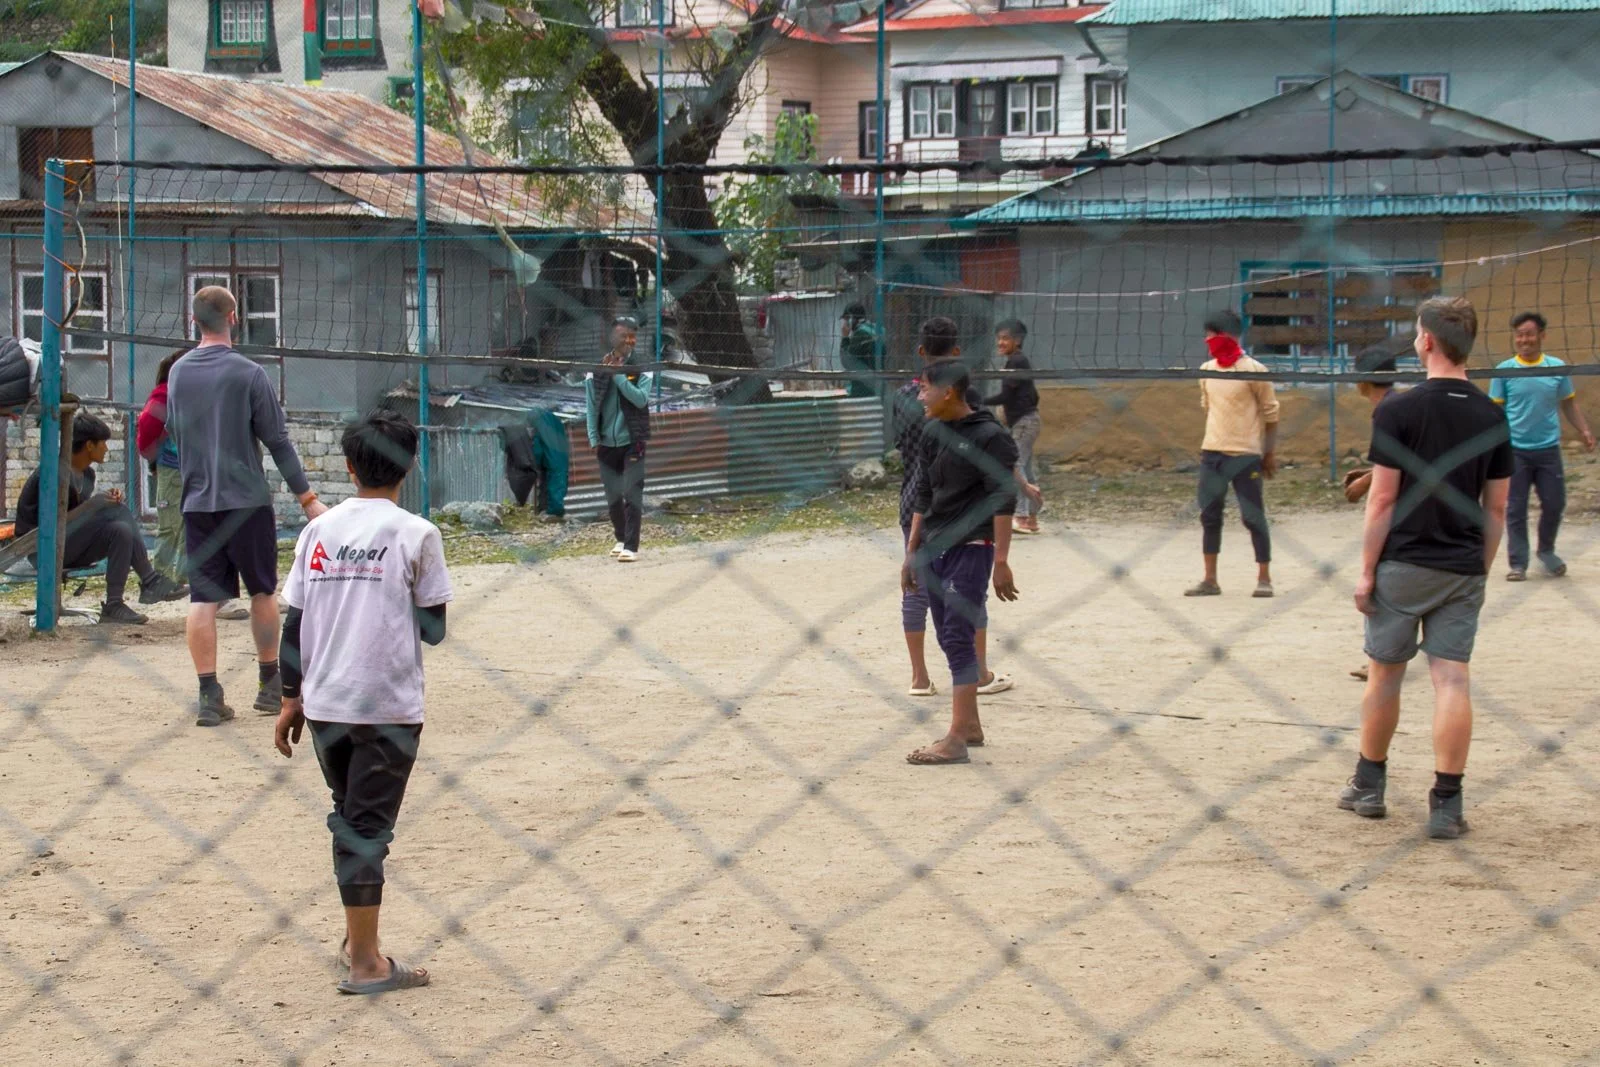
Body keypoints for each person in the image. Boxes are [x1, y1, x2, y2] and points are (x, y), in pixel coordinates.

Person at [275, 408, 452, 995]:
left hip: (326, 703)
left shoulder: (318, 531)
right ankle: (367, 963)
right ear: (409, 466)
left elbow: (295, 622)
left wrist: (289, 698)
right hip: (387, 706)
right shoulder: (416, 533)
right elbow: (433, 630)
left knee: (350, 817)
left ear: (349, 467)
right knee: (366, 828)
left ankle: (357, 941)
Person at [1342, 296, 1512, 840]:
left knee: (1385, 674)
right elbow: (1498, 508)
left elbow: (1382, 499)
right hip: (1461, 564)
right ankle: (1446, 804)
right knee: (1452, 679)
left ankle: (1369, 786)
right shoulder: (1491, 414)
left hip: (1403, 562)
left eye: (1418, 331)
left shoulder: (1398, 410)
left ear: (1428, 341)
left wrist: (1366, 571)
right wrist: (1479, 568)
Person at [168, 286, 327, 728]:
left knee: (203, 598)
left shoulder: (178, 373)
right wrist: (307, 497)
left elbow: (174, 432)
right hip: (246, 501)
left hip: (198, 501)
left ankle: (208, 695)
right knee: (262, 591)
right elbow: (277, 441)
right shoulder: (250, 373)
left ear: (194, 320)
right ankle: (269, 683)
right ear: (234, 317)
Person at [892, 317, 1037, 699]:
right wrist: (1022, 482)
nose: (923, 396)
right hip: (955, 500)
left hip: (914, 498)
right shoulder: (960, 395)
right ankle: (980, 672)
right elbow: (995, 451)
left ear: (920, 350)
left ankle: (919, 677)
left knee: (917, 587)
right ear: (957, 351)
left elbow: (903, 448)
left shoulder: (903, 394)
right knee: (968, 590)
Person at [903, 359, 1022, 766]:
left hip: (973, 546)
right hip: (935, 546)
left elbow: (1004, 499)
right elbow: (923, 493)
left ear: (948, 391)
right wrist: (911, 552)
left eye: (924, 389)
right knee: (948, 636)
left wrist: (1001, 560)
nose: (920, 396)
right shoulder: (933, 431)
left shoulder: (990, 436)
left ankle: (955, 738)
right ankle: (970, 725)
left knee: (957, 635)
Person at [15, 413, 187, 624]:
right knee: (117, 511)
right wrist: (93, 505)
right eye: (103, 443)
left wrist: (102, 502)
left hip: (68, 544)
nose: (106, 448)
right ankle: (150, 580)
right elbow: (50, 525)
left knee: (121, 531)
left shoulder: (87, 474)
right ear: (89, 445)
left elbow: (79, 521)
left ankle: (114, 604)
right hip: (42, 549)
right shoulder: (52, 474)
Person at [136, 350, 249, 621]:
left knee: (201, 524)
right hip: (175, 468)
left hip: (204, 468)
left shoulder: (201, 393)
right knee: (172, 523)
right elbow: (147, 429)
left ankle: (199, 585)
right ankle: (160, 581)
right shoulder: (165, 395)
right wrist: (155, 456)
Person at [1489, 311, 1596, 581]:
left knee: (1554, 503)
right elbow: (1496, 412)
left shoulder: (1555, 367)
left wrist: (1584, 430)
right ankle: (1518, 563)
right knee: (1515, 508)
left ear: (1542, 336)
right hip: (1515, 450)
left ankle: (1546, 551)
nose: (1524, 340)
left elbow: (1568, 404)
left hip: (1548, 449)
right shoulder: (1503, 371)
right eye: (1519, 335)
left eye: (1529, 334)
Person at [1186, 310, 1280, 598]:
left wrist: (1268, 453)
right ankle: (1210, 580)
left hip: (1246, 454)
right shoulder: (1207, 370)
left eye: (1214, 334)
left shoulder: (1254, 370)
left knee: (1253, 517)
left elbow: (1271, 414)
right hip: (1212, 453)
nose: (1209, 340)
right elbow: (1208, 408)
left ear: (1231, 335)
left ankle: (1264, 578)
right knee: (1209, 516)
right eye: (1208, 335)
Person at [1342, 340, 1406, 683]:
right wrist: (1369, 475)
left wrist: (1366, 484)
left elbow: (1401, 465)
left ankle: (1379, 659)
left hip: (1398, 510)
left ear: (1362, 380)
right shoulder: (1398, 404)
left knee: (1378, 583)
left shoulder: (1387, 411)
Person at [584, 317, 653, 563]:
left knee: (632, 493)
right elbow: (591, 405)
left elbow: (641, 399)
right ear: (613, 337)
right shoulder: (596, 367)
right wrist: (593, 436)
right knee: (612, 495)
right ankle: (621, 538)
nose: (628, 340)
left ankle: (631, 546)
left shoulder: (642, 365)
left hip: (633, 439)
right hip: (606, 442)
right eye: (623, 336)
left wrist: (619, 376)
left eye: (632, 336)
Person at [985, 320, 1043, 535]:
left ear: (1017, 340)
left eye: (1005, 338)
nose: (1000, 342)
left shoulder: (1017, 361)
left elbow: (1006, 396)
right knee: (1025, 468)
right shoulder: (1016, 361)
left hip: (1025, 423)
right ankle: (1032, 517)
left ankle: (1021, 516)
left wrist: (979, 401)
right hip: (1027, 421)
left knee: (1014, 466)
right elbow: (1033, 395)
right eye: (998, 338)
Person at [500, 406, 569, 521]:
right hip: (559, 459)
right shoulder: (555, 420)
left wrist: (534, 463)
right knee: (556, 485)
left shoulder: (539, 424)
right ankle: (551, 510)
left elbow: (538, 447)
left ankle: (551, 511)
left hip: (552, 461)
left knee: (551, 485)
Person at [839, 302, 884, 399]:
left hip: (863, 388)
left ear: (851, 318)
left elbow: (847, 362)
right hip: (881, 384)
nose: (845, 323)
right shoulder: (878, 329)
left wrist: (845, 337)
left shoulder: (860, 333)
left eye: (846, 319)